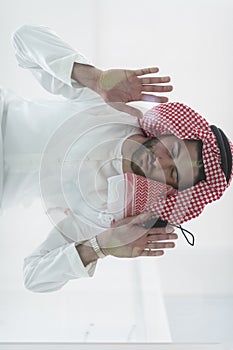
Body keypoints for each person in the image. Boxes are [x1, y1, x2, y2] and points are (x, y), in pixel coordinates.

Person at [1, 25, 232, 293]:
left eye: (174, 175)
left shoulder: (104, 214)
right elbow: (23, 40)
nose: (162, 164)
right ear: (170, 133)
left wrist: (102, 246)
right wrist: (95, 79)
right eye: (175, 152)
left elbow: (35, 276)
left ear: (169, 189)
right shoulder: (112, 107)